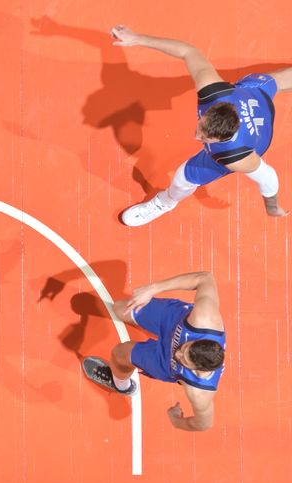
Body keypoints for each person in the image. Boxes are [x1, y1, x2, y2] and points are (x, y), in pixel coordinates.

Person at [111, 25, 291, 226]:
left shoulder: (235, 156)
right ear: (213, 109)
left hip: (258, 138)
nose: (197, 137)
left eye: (205, 138)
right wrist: (137, 39)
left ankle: (165, 201)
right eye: (201, 127)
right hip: (254, 93)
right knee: (279, 79)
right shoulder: (212, 90)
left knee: (182, 178)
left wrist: (272, 206)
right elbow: (188, 51)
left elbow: (268, 177)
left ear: (222, 139)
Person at [82, 271, 225, 432]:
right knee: (119, 308)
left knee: (119, 354)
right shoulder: (204, 318)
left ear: (197, 370)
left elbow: (203, 424)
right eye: (185, 348)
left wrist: (176, 421)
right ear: (199, 339)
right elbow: (205, 278)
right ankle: (155, 330)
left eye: (184, 360)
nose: (178, 353)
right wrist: (153, 288)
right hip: (172, 319)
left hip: (166, 363)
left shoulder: (199, 392)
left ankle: (121, 386)